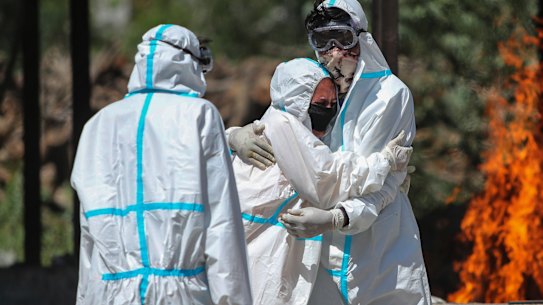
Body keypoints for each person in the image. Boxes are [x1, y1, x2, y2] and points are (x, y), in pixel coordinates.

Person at [229, 0, 432, 304]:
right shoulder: (317, 89)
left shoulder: (390, 96)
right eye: (322, 41)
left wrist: (337, 217)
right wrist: (234, 135)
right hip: (314, 259)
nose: (334, 51)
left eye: (342, 38)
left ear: (361, 37)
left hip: (377, 255)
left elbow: (377, 186)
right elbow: (280, 125)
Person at [71, 24, 252, 305]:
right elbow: (222, 226)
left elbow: (88, 241)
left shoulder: (97, 125)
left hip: (108, 293)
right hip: (180, 295)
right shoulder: (199, 116)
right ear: (189, 64)